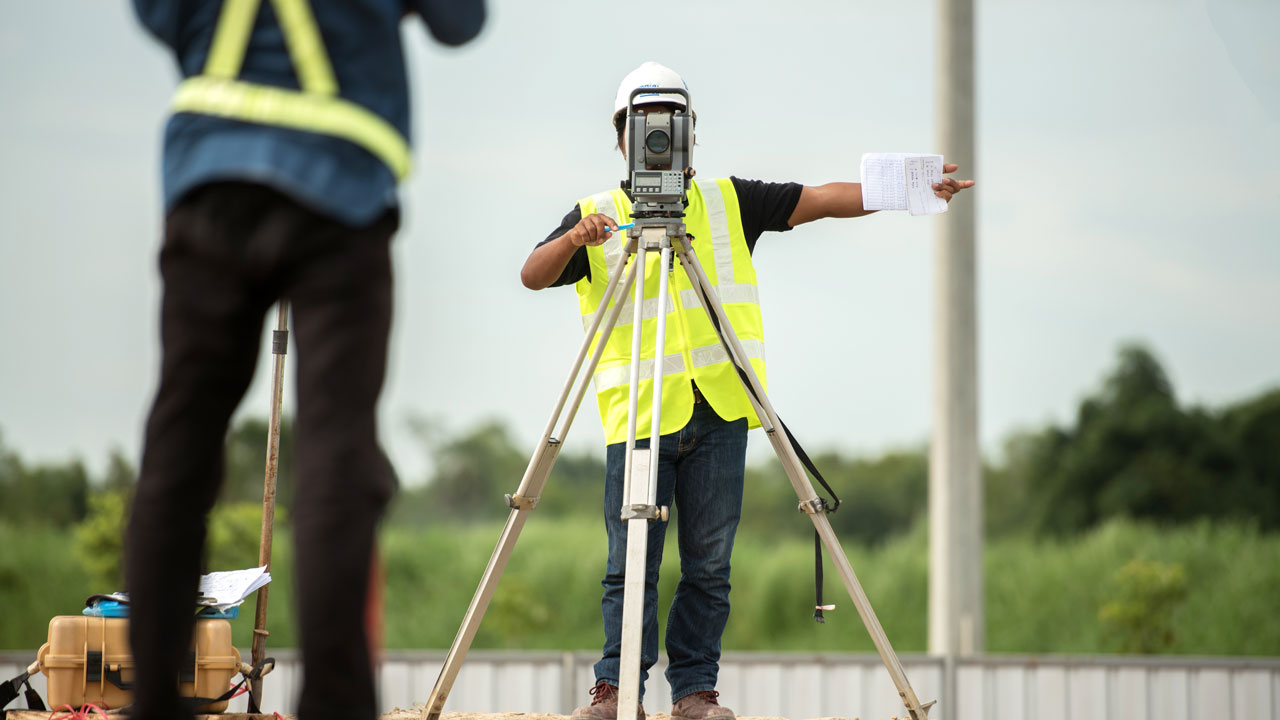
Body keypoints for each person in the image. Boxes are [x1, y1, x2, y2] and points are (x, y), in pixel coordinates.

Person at [520, 61, 974, 720]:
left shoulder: (729, 202)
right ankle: (616, 693)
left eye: (669, 128)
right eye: (644, 128)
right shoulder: (595, 217)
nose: (657, 141)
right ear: (622, 137)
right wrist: (573, 239)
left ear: (691, 135)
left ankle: (695, 695)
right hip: (640, 420)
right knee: (629, 567)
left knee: (709, 565)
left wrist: (906, 187)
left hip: (721, 413)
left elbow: (818, 198)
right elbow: (533, 275)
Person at [123, 3, 484, 720]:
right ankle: (337, 705)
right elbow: (460, 21)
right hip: (341, 193)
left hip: (208, 178)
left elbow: (158, 14)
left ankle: (153, 705)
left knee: (179, 450)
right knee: (335, 456)